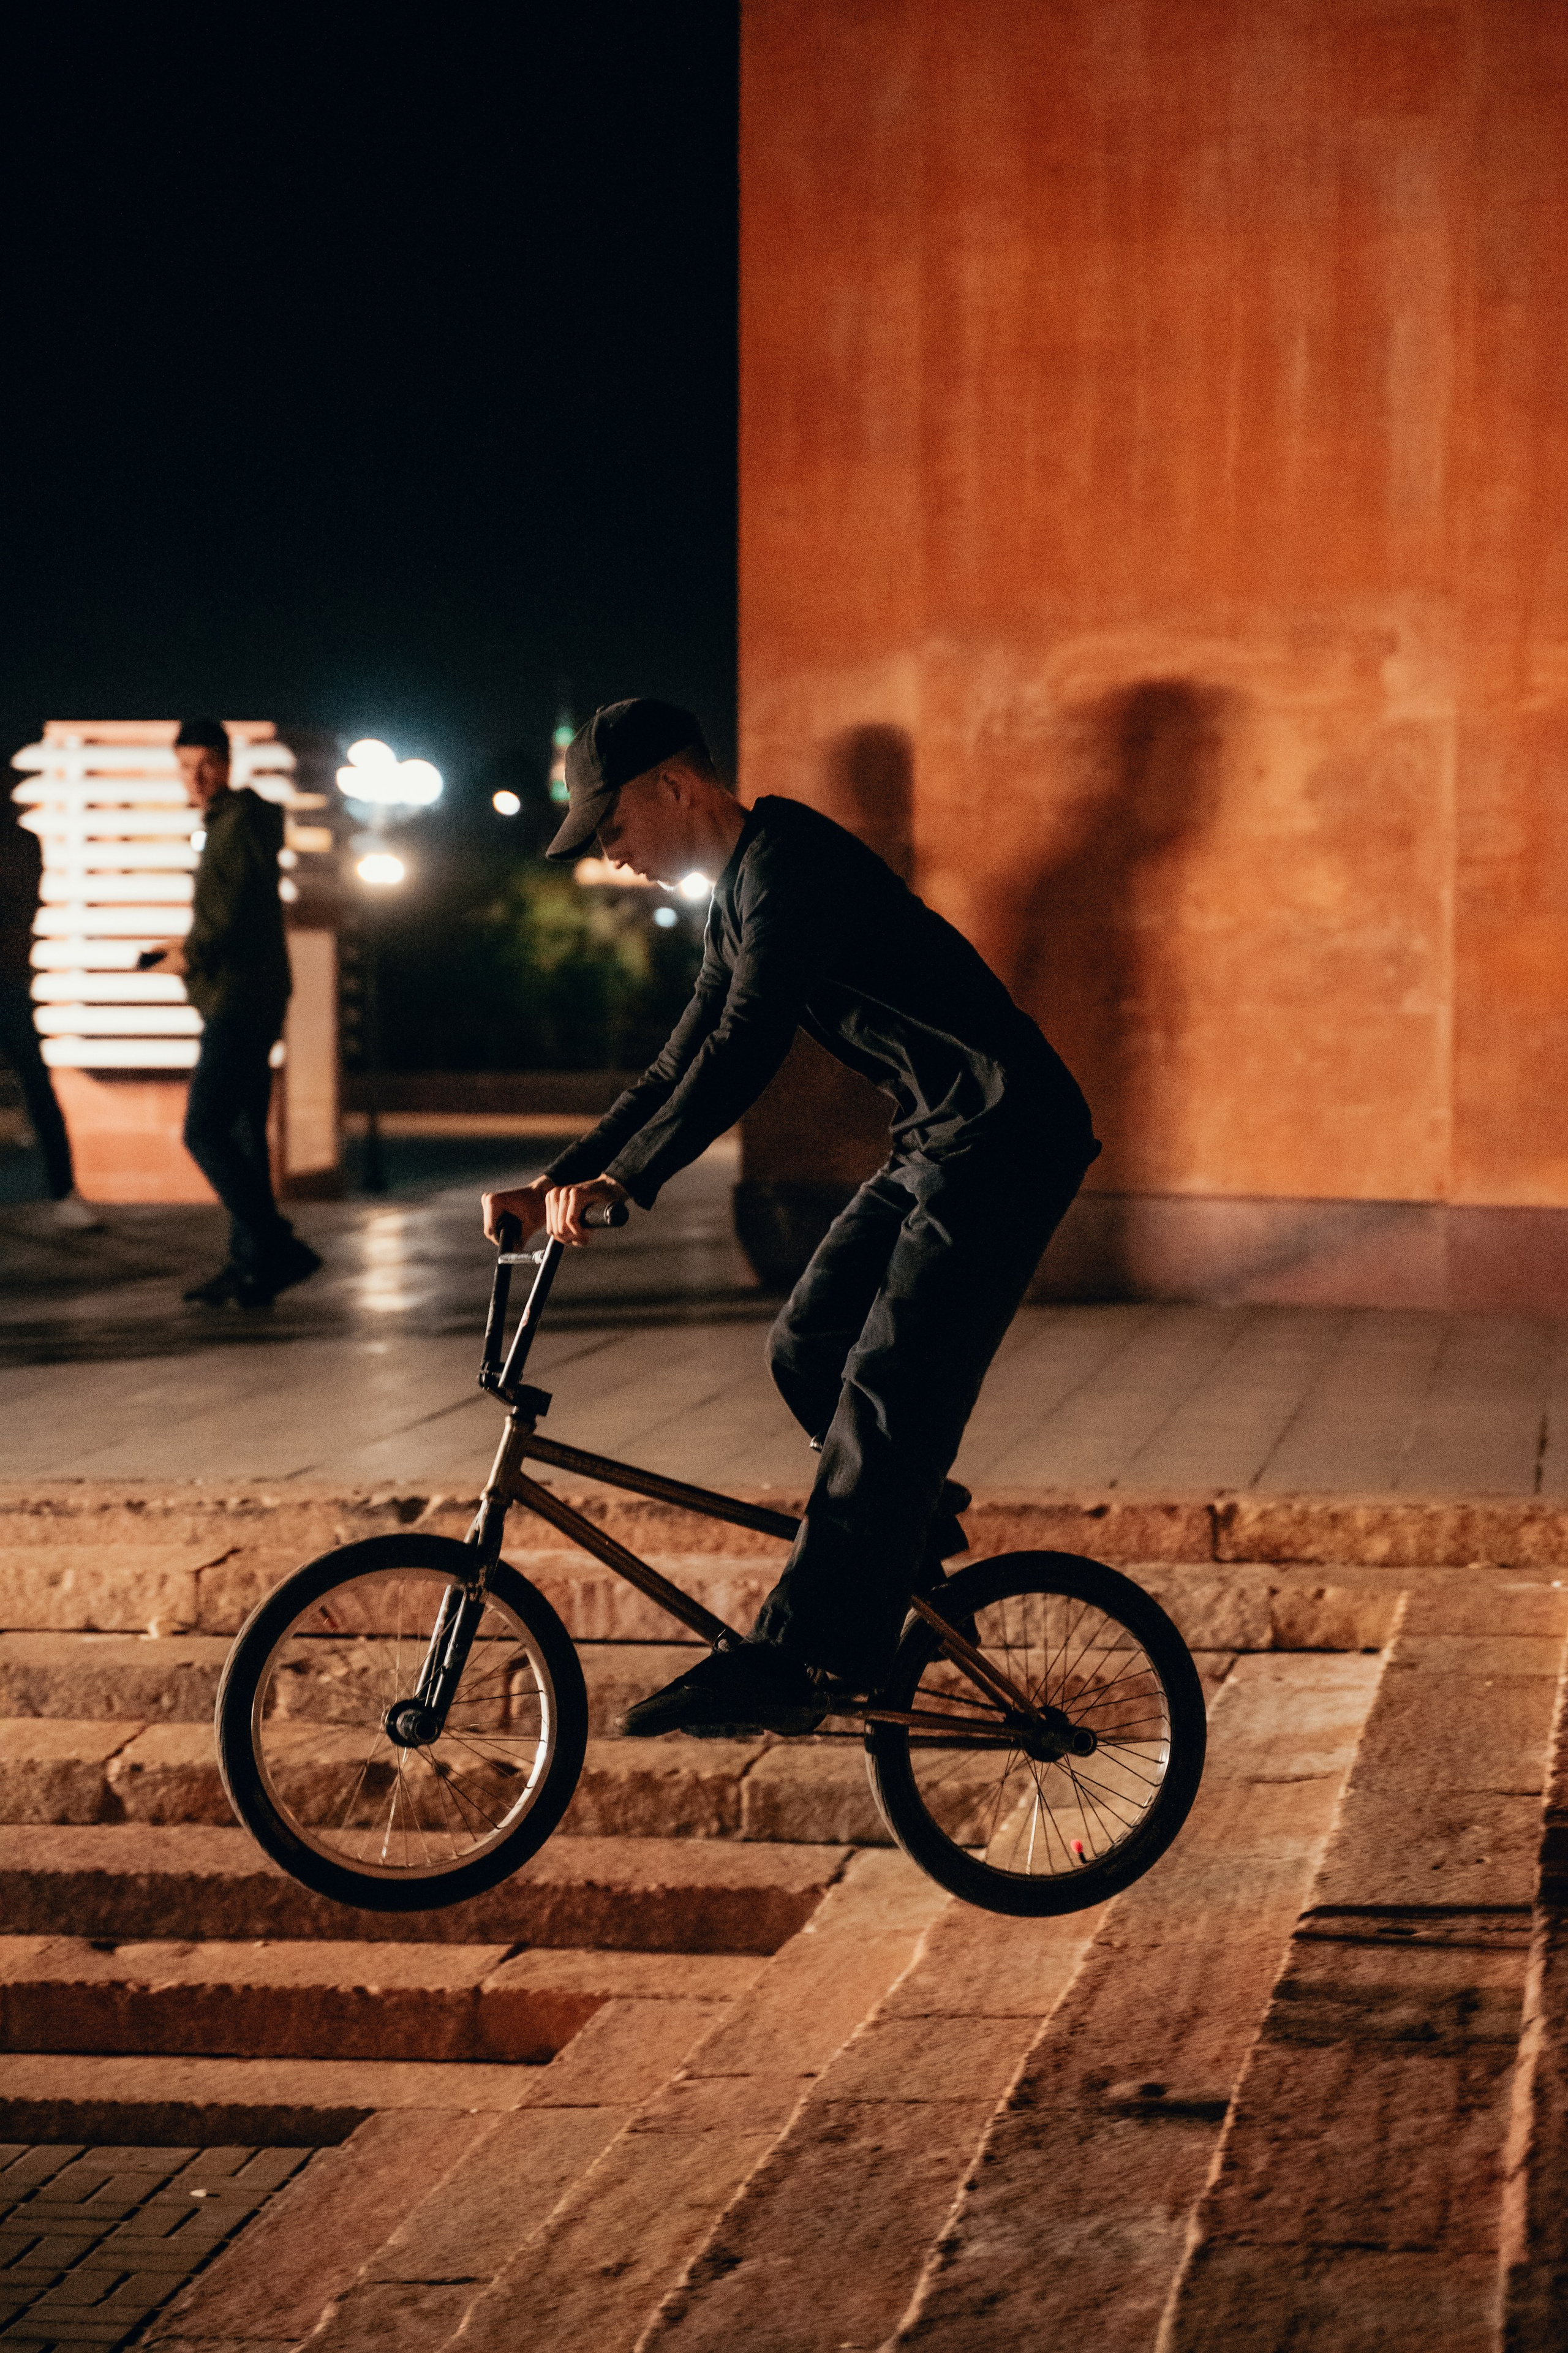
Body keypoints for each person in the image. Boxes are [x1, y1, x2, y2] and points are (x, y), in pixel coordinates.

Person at [483, 698, 1100, 1736]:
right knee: (808, 1344)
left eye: (614, 828)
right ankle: (898, 1542)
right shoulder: (740, 897)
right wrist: (555, 1180)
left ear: (674, 788)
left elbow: (746, 1044)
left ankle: (811, 1652)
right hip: (941, 1138)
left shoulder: (793, 867)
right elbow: (681, 1058)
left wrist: (627, 1183)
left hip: (1006, 1133)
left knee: (890, 1377)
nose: (614, 854)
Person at [144, 720, 320, 1307]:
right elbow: (228, 909)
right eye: (186, 765)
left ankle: (273, 1244)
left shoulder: (239, 821)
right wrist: (183, 950)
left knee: (204, 1129)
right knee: (243, 1133)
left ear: (228, 762)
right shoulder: (227, 822)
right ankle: (253, 1265)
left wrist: (188, 953)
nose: (195, 777)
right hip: (246, 993)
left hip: (242, 1000)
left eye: (207, 764)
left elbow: (234, 908)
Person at [0, 785, 99, 1229]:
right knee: (37, 1084)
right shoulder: (22, 842)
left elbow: (20, 905)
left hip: (9, 977)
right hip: (12, 976)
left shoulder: (21, 843)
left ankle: (64, 1190)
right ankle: (64, 1192)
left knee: (37, 1085)